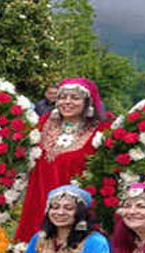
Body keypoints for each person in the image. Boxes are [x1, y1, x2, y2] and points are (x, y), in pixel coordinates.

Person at [15, 78, 109, 242]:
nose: (67, 102)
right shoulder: (44, 122)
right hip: (40, 195)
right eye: (62, 97)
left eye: (75, 98)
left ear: (88, 102)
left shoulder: (101, 130)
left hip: (76, 202)